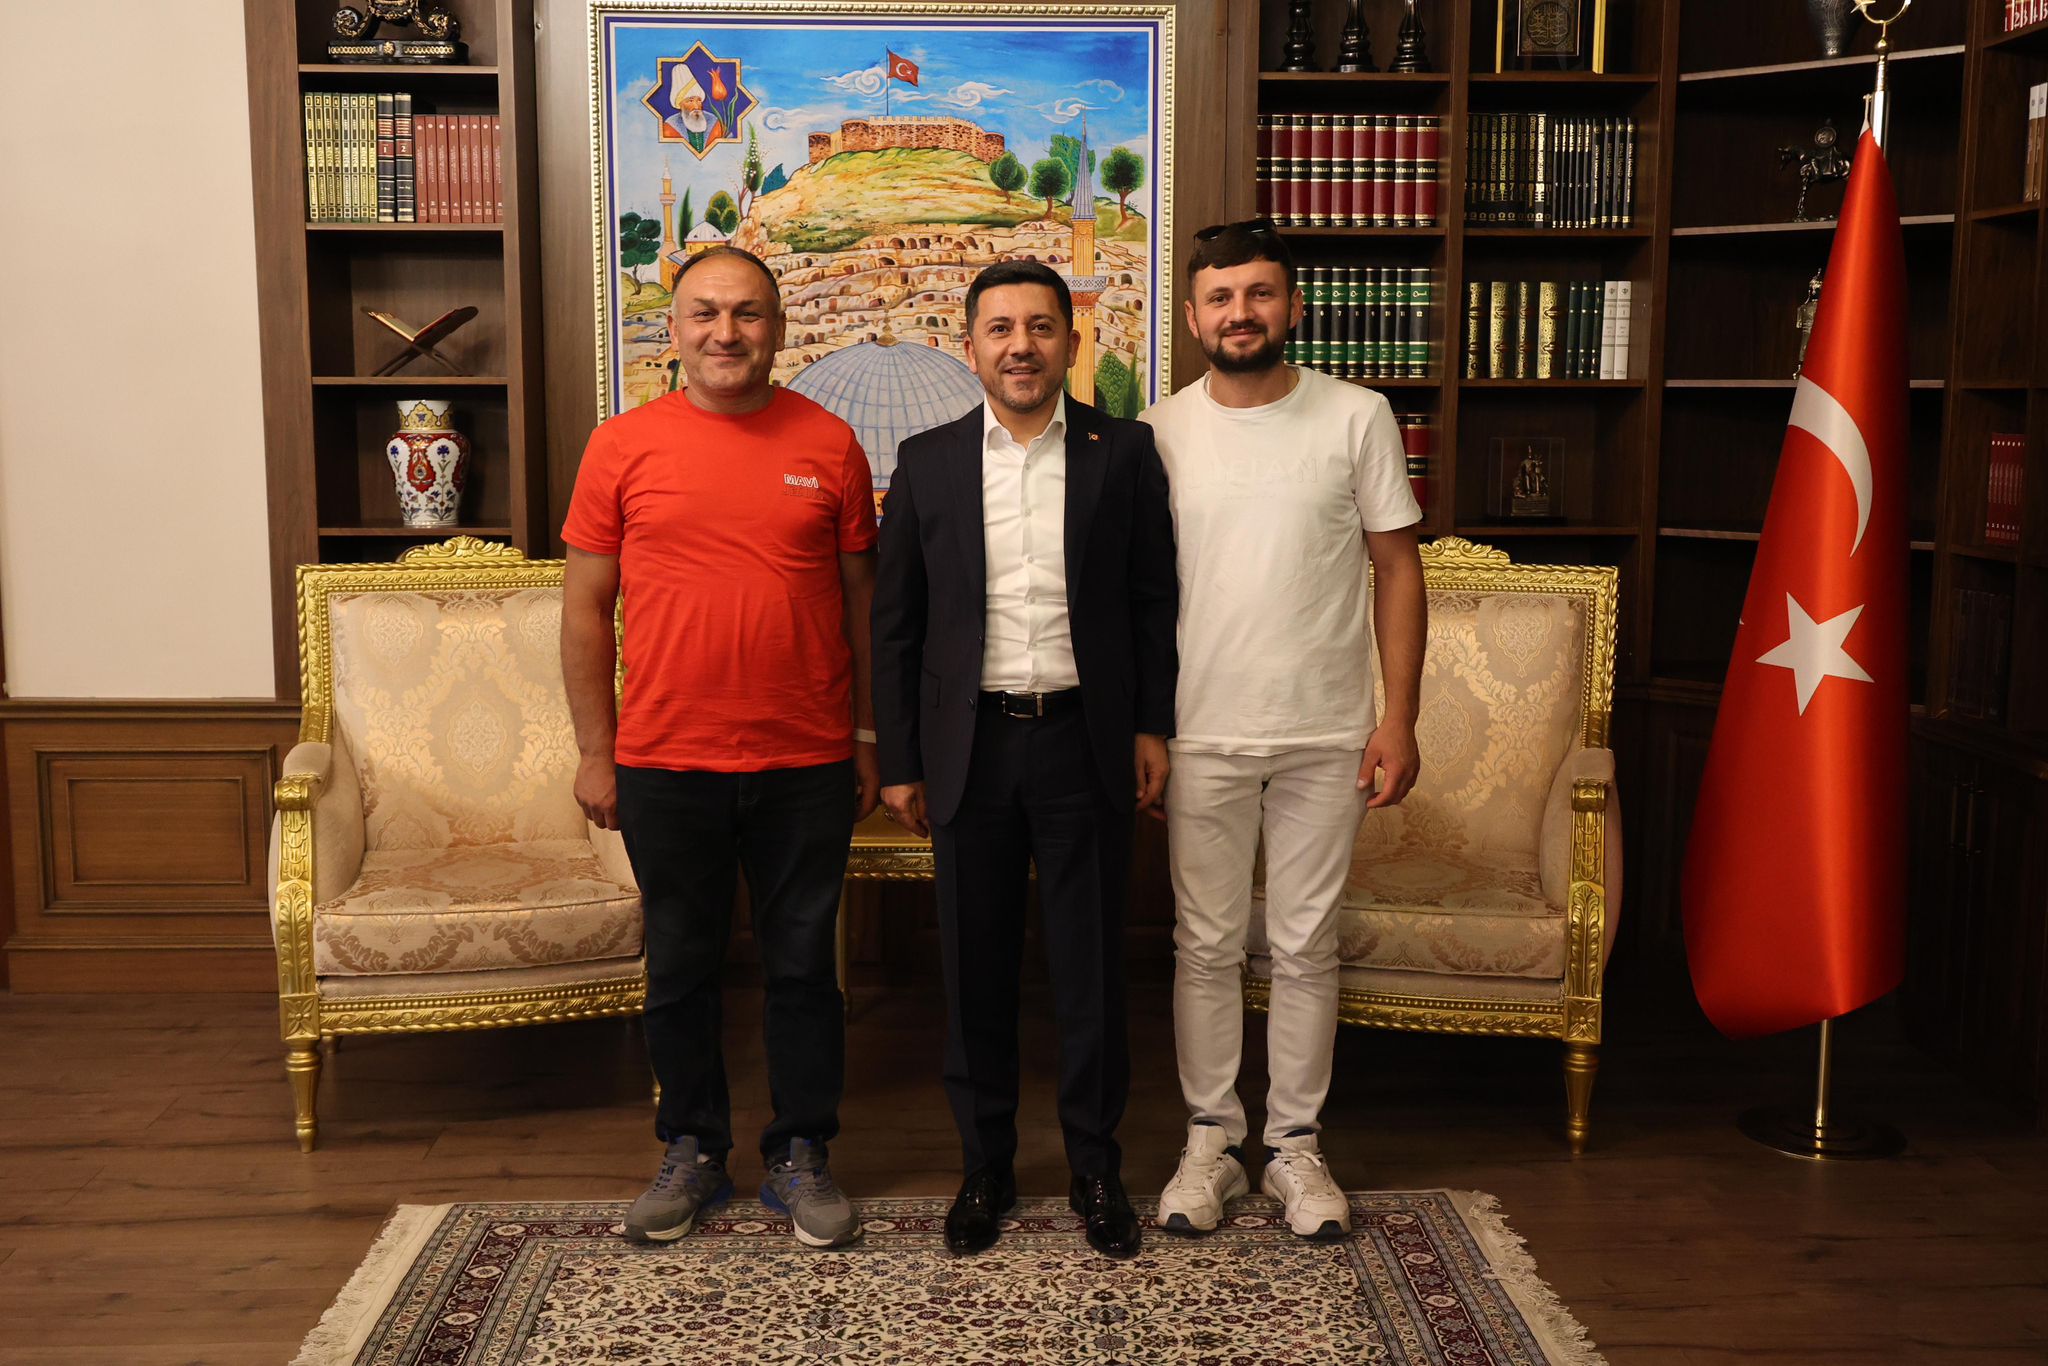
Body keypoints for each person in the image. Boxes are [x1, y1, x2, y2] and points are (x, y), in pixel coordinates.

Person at [560, 246, 878, 1249]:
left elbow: (863, 609)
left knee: (803, 971)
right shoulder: (620, 447)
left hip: (806, 759)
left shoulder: (830, 444)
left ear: (778, 329)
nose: (725, 332)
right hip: (666, 759)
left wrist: (868, 738)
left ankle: (800, 1152)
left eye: (746, 313)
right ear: (675, 329)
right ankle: (692, 1148)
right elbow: (583, 611)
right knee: (682, 968)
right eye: (705, 313)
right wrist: (595, 751)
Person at [871, 259, 1178, 1260]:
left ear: (1069, 343)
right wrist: (900, 760)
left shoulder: (1121, 452)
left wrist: (1151, 726)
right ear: (970, 347)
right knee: (976, 969)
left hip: (1085, 741)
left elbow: (1151, 600)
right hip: (970, 748)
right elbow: (896, 626)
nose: (1020, 346)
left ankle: (1095, 1166)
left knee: (1091, 969)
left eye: (1040, 327)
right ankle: (986, 1167)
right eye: (999, 328)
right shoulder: (926, 462)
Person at [1140, 220, 1425, 1241]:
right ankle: (1211, 1145)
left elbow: (1397, 567)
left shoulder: (1355, 414)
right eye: (1220, 298)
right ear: (1191, 317)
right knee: (1205, 945)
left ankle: (1295, 1149)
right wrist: (1147, 729)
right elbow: (1139, 595)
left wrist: (1398, 716)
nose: (1240, 313)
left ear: (1292, 306)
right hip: (1200, 729)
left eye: (1259, 294)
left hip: (1327, 728)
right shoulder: (1158, 430)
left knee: (1305, 944)